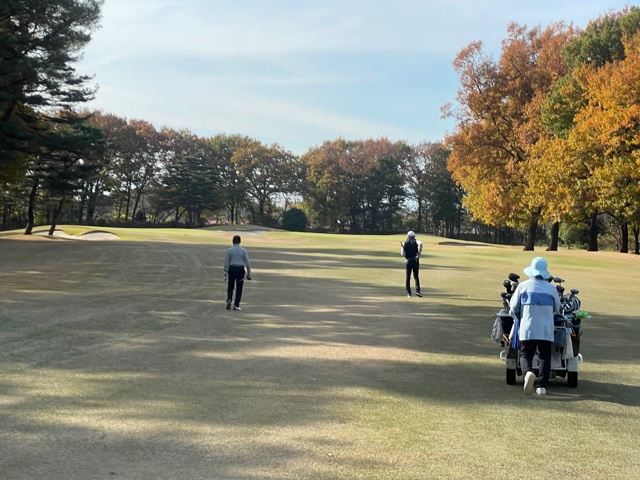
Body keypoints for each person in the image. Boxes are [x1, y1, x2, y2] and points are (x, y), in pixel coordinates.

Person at [509, 257, 561, 396]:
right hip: (546, 329)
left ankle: (527, 374)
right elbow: (557, 308)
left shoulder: (523, 286)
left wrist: (519, 317)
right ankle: (542, 387)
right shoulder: (551, 288)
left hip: (528, 327)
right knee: (545, 356)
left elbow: (513, 308)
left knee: (526, 354)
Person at [223, 235, 252, 311]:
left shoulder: (229, 250)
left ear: (233, 241)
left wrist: (225, 272)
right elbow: (247, 262)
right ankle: (236, 305)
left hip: (232, 269)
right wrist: (248, 272)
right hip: (240, 269)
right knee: (239, 288)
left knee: (230, 286)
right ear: (240, 241)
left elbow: (226, 262)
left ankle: (229, 299)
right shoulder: (243, 251)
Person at [400, 231, 423, 297]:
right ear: (414, 236)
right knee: (416, 276)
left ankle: (408, 292)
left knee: (408, 276)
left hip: (408, 261)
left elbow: (402, 254)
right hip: (415, 260)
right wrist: (419, 253)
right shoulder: (416, 242)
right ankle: (418, 291)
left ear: (408, 236)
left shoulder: (404, 243)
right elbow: (421, 244)